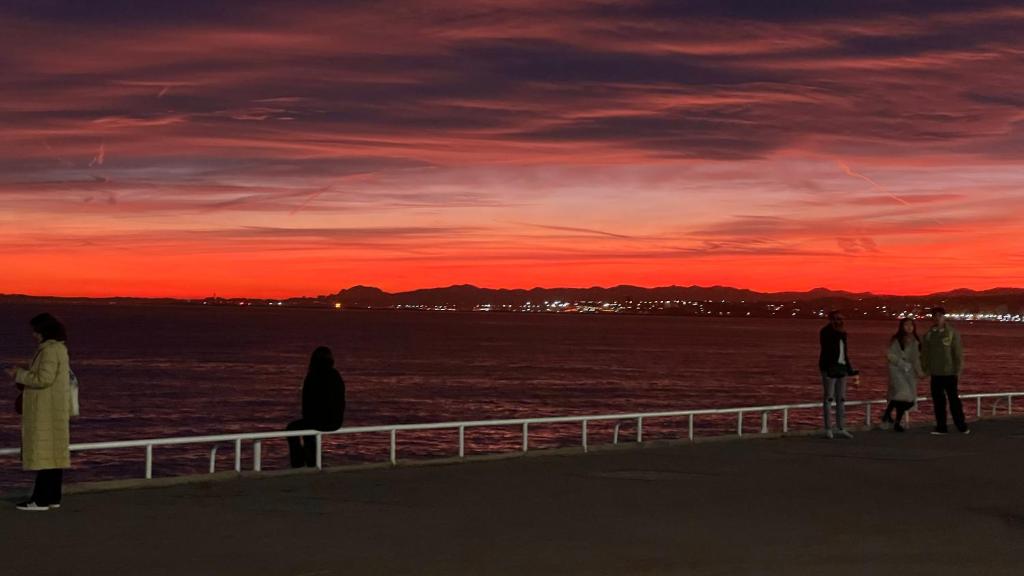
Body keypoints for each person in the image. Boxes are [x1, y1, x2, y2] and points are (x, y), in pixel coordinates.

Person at [3, 313, 72, 511]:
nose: (33, 334)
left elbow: (44, 379)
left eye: (35, 330)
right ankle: (52, 497)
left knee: (44, 455)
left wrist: (19, 374)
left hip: (45, 411)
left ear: (42, 331)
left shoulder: (49, 351)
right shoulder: (59, 349)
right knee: (54, 455)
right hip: (54, 410)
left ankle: (40, 500)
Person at [287, 346, 346, 467]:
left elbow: (307, 403)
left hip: (320, 421)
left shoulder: (313, 375)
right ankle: (310, 460)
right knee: (307, 430)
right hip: (336, 421)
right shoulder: (335, 375)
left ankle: (298, 462)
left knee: (292, 428)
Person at [921, 307, 969, 435]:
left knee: (954, 401)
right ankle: (941, 427)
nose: (937, 318)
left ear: (944, 317)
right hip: (935, 373)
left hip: (950, 373)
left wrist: (958, 370)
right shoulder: (929, 334)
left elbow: (957, 353)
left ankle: (962, 426)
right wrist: (924, 369)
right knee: (938, 402)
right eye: (935, 316)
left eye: (940, 315)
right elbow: (925, 353)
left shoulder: (952, 333)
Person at [819, 311, 859, 439]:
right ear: (830, 320)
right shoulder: (826, 332)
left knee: (841, 398)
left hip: (841, 368)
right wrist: (827, 368)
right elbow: (826, 350)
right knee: (829, 398)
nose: (839, 321)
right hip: (829, 368)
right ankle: (828, 428)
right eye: (836, 319)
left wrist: (850, 369)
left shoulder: (842, 334)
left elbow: (844, 353)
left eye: (841, 319)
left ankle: (840, 427)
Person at [880, 318, 924, 432]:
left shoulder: (915, 341)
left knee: (905, 399)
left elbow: (916, 359)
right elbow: (890, 355)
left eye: (911, 325)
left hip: (909, 372)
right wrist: (900, 363)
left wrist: (920, 372)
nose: (909, 327)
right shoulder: (896, 340)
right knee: (903, 394)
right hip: (896, 370)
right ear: (901, 326)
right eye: (906, 325)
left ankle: (894, 420)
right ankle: (888, 415)